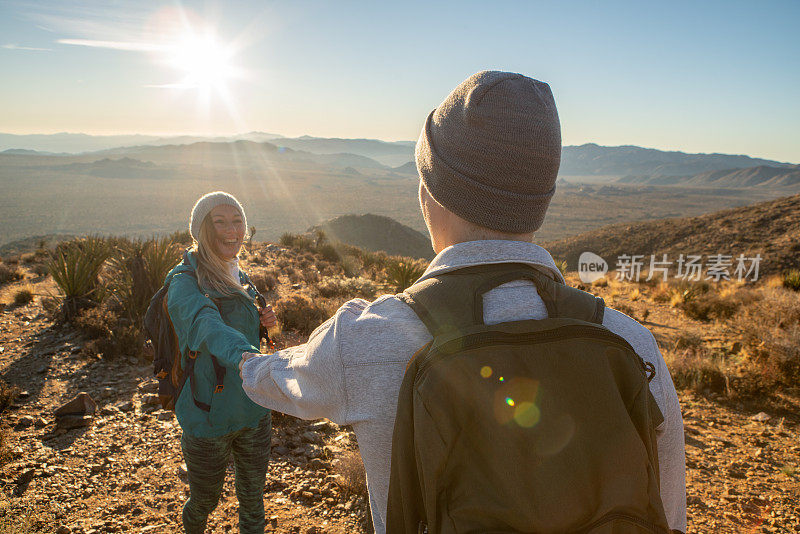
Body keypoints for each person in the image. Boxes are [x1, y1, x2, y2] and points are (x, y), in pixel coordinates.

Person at [240, 71, 686, 533]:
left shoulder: (365, 337)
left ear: (429, 193)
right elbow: (667, 516)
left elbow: (272, 380)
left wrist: (240, 357)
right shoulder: (630, 344)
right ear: (543, 199)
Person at [165, 191, 278, 534]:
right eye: (220, 221)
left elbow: (264, 334)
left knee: (254, 501)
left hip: (254, 411)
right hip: (208, 418)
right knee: (204, 501)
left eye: (237, 221)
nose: (232, 230)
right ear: (202, 229)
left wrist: (268, 324)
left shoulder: (239, 275)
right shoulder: (185, 282)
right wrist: (247, 359)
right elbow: (206, 325)